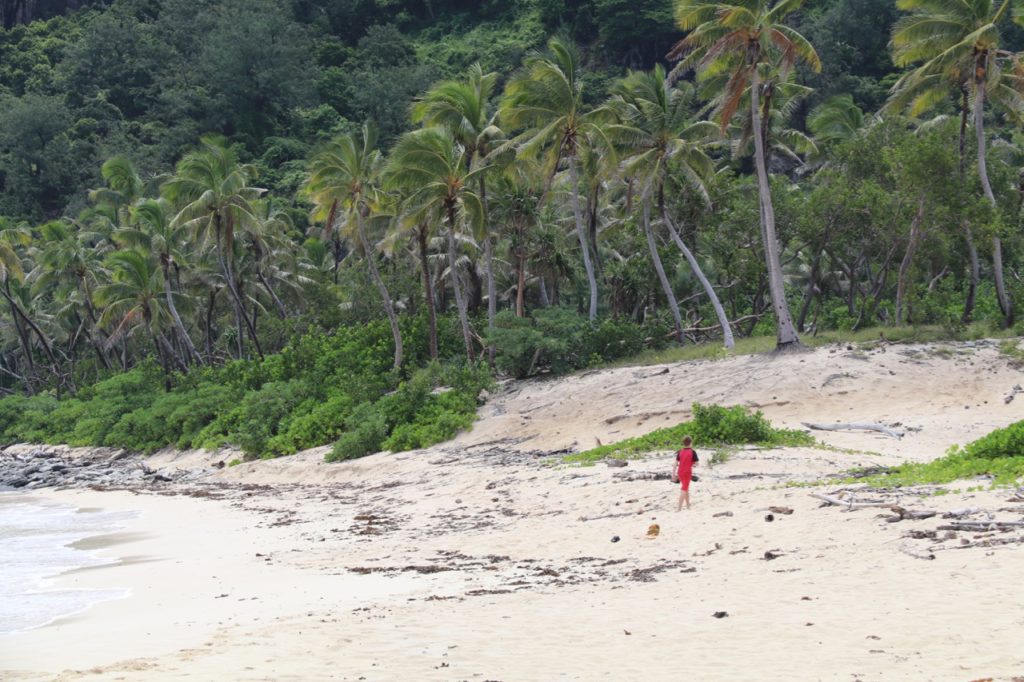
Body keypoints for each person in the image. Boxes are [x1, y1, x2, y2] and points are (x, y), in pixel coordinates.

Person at [673, 436, 699, 511]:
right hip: (687, 473)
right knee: (684, 489)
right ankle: (679, 509)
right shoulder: (692, 452)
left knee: (686, 488)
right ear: (691, 443)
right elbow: (696, 463)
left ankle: (688, 506)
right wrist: (693, 464)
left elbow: (675, 463)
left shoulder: (680, 451)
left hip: (680, 472)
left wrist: (673, 474)